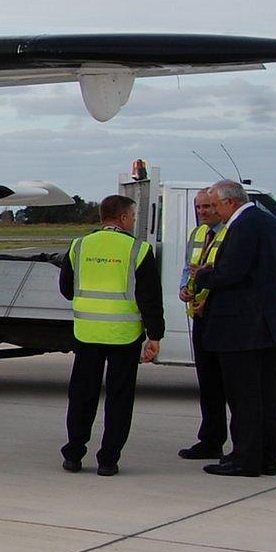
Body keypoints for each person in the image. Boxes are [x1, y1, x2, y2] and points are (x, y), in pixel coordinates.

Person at [58, 194, 163, 476]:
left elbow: (67, 289)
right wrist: (155, 335)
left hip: (87, 332)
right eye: (133, 216)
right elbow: (150, 298)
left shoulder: (79, 245)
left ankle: (74, 454)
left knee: (82, 396)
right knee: (119, 398)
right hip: (124, 336)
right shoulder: (138, 250)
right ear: (125, 218)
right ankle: (108, 459)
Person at [188, 180, 276, 477]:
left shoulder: (243, 226)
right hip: (266, 324)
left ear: (230, 203)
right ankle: (267, 456)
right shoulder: (269, 223)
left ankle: (246, 458)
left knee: (244, 397)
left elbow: (232, 272)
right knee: (266, 396)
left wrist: (204, 276)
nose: (214, 210)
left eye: (216, 205)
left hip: (243, 326)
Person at [177, 186, 230, 459]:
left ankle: (237, 442)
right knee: (207, 382)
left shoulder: (230, 232)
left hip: (222, 314)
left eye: (208, 207)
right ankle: (210, 438)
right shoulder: (197, 234)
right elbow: (189, 267)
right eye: (198, 208)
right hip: (199, 314)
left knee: (228, 383)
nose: (203, 212)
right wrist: (184, 288)